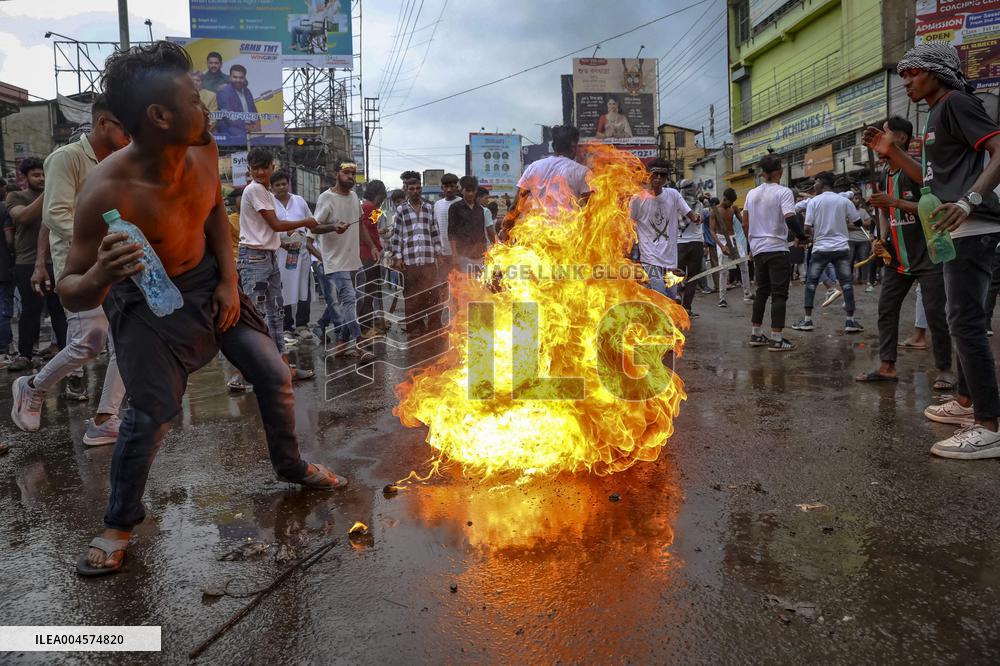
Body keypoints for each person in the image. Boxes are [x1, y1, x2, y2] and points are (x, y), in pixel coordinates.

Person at [59, 41, 346, 576]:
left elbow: (213, 209)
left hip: (212, 282)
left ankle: (290, 465)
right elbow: (71, 289)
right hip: (147, 303)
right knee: (152, 414)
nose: (206, 108)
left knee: (273, 372)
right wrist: (100, 273)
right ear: (159, 116)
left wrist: (230, 282)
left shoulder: (204, 147)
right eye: (194, 99)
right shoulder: (106, 190)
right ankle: (119, 522)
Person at [865, 43, 1000, 459]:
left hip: (973, 226)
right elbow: (930, 182)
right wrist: (892, 152)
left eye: (914, 73)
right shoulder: (935, 113)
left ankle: (989, 426)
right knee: (961, 320)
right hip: (953, 229)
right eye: (903, 75)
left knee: (965, 323)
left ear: (938, 72)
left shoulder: (957, 102)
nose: (906, 81)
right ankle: (966, 403)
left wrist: (968, 202)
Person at [11, 96, 130, 445]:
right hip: (81, 268)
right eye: (126, 127)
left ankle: (106, 418)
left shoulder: (123, 161)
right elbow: (55, 214)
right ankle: (33, 387)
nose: (131, 135)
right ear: (104, 123)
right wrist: (101, 243)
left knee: (129, 340)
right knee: (88, 343)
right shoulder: (67, 158)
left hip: (117, 262)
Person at [856, 117, 953, 387]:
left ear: (900, 138)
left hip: (927, 256)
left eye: (883, 135)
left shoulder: (917, 171)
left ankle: (945, 370)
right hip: (897, 260)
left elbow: (934, 207)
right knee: (886, 310)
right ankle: (887, 366)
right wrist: (880, 239)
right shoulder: (883, 175)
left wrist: (896, 202)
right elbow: (884, 213)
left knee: (935, 314)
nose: (877, 143)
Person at [237, 146, 317, 381]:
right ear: (249, 170)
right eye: (256, 168)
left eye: (264, 168)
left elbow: (268, 231)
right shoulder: (255, 190)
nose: (260, 172)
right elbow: (275, 225)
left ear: (272, 167)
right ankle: (242, 375)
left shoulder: (265, 193)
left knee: (275, 316)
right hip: (254, 259)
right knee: (258, 317)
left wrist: (284, 245)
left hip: (266, 257)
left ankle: (284, 369)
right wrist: (306, 222)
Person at [5, 158, 68, 371]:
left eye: (44, 175)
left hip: (56, 259)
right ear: (25, 177)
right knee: (30, 309)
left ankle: (66, 352)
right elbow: (23, 216)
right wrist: (50, 191)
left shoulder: (59, 193)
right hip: (27, 262)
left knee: (59, 309)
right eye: (36, 175)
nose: (41, 179)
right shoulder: (16, 196)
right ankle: (25, 354)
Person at [312, 160, 375, 360]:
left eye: (353, 173)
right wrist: (333, 227)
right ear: (335, 174)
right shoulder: (326, 198)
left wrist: (372, 246)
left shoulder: (354, 197)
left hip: (354, 260)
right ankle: (358, 344)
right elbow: (314, 227)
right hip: (335, 262)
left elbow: (361, 225)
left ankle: (341, 342)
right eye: (346, 172)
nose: (350, 177)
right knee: (349, 301)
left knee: (358, 300)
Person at [790, 171, 864, 334]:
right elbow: (858, 221)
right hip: (841, 249)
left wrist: (809, 236)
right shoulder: (844, 201)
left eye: (816, 181)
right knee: (846, 284)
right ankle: (850, 321)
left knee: (811, 284)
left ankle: (807, 320)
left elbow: (807, 228)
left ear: (822, 183)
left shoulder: (814, 202)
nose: (814, 185)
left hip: (821, 249)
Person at [745, 154, 805, 352]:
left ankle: (756, 334)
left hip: (758, 249)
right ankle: (777, 339)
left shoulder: (751, 194)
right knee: (779, 294)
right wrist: (802, 236)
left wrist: (752, 246)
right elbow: (790, 217)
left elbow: (745, 222)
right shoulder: (783, 192)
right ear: (780, 171)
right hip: (777, 248)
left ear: (763, 173)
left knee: (762, 292)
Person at [503, 124, 590, 238]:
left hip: (535, 235)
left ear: (553, 146)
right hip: (567, 237)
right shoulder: (582, 171)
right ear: (574, 146)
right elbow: (589, 208)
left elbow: (517, 204)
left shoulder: (533, 167)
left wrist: (506, 229)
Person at [630, 159, 692, 300]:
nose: (658, 178)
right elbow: (629, 225)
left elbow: (689, 212)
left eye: (662, 175)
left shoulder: (673, 194)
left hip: (670, 259)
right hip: (649, 258)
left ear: (666, 178)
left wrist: (695, 217)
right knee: (661, 295)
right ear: (648, 175)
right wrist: (632, 253)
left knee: (671, 297)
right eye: (655, 174)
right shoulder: (637, 199)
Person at [389, 176, 442, 337]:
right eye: (411, 189)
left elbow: (435, 232)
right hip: (409, 260)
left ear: (421, 189)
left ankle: (433, 325)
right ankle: (414, 328)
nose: (415, 191)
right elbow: (397, 236)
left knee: (431, 294)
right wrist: (397, 258)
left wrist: (439, 253)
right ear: (406, 190)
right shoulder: (401, 210)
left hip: (428, 259)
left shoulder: (429, 208)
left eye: (418, 188)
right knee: (411, 296)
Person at [270, 170, 312, 342]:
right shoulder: (270, 204)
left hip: (300, 251)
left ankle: (302, 325)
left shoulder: (299, 201)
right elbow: (269, 228)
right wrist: (283, 242)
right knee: (283, 289)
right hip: (281, 252)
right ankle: (286, 326)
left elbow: (311, 222)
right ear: (272, 187)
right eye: (277, 185)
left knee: (304, 287)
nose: (281, 187)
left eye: (284, 184)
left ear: (289, 184)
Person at [710, 188, 753, 306]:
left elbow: (744, 223)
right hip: (722, 239)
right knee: (723, 270)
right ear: (724, 199)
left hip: (734, 239)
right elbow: (712, 231)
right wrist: (721, 246)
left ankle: (747, 293)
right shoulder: (714, 211)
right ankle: (722, 299)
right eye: (730, 201)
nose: (731, 204)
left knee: (744, 265)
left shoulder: (733, 208)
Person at [357, 179, 387, 338]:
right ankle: (365, 327)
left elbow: (374, 230)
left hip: (370, 254)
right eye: (382, 197)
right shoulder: (367, 207)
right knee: (369, 292)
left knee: (371, 292)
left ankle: (368, 324)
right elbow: (369, 232)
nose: (382, 201)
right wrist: (378, 248)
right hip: (368, 255)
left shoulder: (372, 208)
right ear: (378, 194)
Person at [675, 179, 706, 316]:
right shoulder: (698, 204)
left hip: (679, 243)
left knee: (676, 276)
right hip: (696, 243)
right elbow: (699, 220)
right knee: (693, 277)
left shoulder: (676, 204)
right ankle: (687, 308)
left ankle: (676, 303)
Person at [431, 173, 459, 328]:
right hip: (442, 255)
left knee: (458, 289)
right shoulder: (437, 205)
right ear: (442, 188)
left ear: (457, 187)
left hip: (458, 255)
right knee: (442, 289)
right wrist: (437, 253)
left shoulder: (461, 203)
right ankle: (439, 322)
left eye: (452, 186)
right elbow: (434, 229)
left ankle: (457, 321)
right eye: (446, 187)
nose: (449, 189)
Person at [448, 175, 488, 274]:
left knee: (480, 281)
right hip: (463, 255)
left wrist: (486, 252)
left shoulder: (480, 209)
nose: (470, 194)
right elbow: (451, 232)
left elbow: (482, 232)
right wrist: (454, 254)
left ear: (476, 191)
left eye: (473, 191)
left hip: (480, 254)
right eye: (467, 190)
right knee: (466, 282)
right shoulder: (455, 208)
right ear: (462, 190)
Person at [216, 65, 260, 142]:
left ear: (245, 78)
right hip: (231, 130)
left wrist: (257, 125)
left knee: (263, 141)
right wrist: (247, 127)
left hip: (249, 130)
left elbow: (254, 110)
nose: (238, 80)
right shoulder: (223, 92)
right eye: (235, 77)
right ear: (230, 77)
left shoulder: (247, 91)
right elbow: (229, 117)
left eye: (241, 77)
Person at [0, 195, 13, 367]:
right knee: (3, 309)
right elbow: (10, 239)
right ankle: (3, 351)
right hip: (3, 266)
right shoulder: (3, 209)